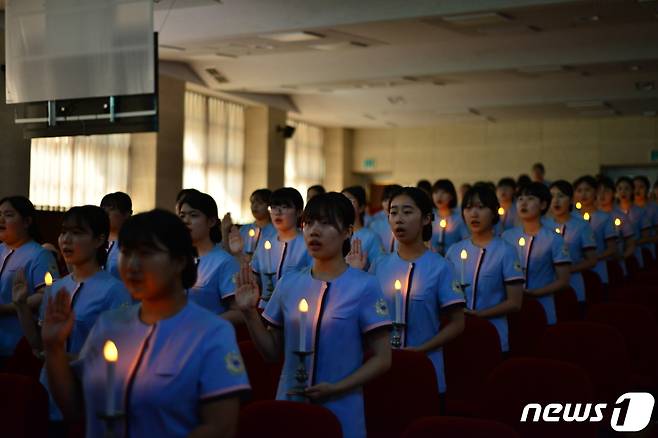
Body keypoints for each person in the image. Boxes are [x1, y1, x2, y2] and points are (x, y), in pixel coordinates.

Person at [42, 209, 250, 438]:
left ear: (180, 261)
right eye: (126, 252)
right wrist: (54, 349)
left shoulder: (210, 332)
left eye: (146, 253)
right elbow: (75, 409)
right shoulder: (109, 325)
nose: (132, 265)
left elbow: (220, 427)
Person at [235, 193, 392, 438]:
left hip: (341, 406)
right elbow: (271, 353)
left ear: (348, 232)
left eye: (326, 223)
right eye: (309, 223)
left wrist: (337, 387)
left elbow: (383, 359)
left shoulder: (364, 286)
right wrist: (249, 314)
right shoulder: (289, 283)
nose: (314, 231)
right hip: (290, 401)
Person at [13, 206, 131, 429]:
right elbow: (38, 346)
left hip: (87, 396)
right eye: (64, 232)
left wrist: (61, 356)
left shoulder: (114, 291)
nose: (66, 240)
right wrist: (20, 305)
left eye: (77, 233)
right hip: (48, 392)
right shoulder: (57, 288)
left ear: (99, 240)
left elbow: (115, 357)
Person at [370, 187, 465, 394]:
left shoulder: (441, 266)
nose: (399, 219)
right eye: (393, 213)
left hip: (425, 365)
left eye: (407, 212)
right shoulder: (379, 265)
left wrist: (422, 348)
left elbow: (458, 323)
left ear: (426, 219)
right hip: (381, 368)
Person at [446, 185, 524, 353]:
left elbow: (515, 303)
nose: (474, 214)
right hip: (456, 335)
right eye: (468, 208)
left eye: (481, 208)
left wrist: (480, 315)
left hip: (492, 333)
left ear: (494, 212)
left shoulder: (506, 251)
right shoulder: (454, 250)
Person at [0, 196, 59, 362]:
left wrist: (6, 308)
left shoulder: (39, 255)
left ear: (26, 222)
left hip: (16, 344)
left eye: (9, 215)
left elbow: (45, 295)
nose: (1, 219)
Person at [502, 183, 571, 325]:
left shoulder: (553, 239)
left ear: (543, 205)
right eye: (520, 199)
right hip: (510, 309)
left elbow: (563, 281)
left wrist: (535, 293)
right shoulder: (507, 237)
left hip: (543, 306)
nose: (524, 203)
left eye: (530, 198)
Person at [177, 191, 241, 322]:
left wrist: (203, 324)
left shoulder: (224, 262)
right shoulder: (177, 259)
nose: (186, 221)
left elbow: (239, 313)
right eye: (182, 216)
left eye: (193, 215)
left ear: (211, 221)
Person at [250, 188, 312, 305]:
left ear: (299, 212)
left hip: (295, 309)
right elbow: (254, 277)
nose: (277, 212)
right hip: (264, 308)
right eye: (273, 207)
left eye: (285, 207)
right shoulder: (265, 243)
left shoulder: (308, 244)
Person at [544, 181, 597, 306]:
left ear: (571, 200)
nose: (555, 200)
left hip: (573, 283)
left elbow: (592, 260)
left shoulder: (581, 226)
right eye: (552, 196)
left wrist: (565, 270)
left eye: (561, 196)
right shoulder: (544, 226)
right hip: (547, 285)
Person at [572, 175, 617, 287]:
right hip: (574, 271)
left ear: (595, 192)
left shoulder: (604, 218)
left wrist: (591, 259)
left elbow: (612, 248)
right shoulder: (571, 218)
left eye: (587, 190)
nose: (583, 194)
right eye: (579, 190)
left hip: (597, 268)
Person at [597, 176, 636, 276]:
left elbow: (631, 242)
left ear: (614, 193)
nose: (602, 195)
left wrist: (622, 256)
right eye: (598, 191)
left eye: (606, 191)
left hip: (614, 264)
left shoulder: (619, 216)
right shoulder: (587, 216)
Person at [342, 185, 384, 271]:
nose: (344, 205)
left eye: (350, 201)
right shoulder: (336, 234)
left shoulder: (371, 237)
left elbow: (379, 268)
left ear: (361, 208)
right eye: (341, 201)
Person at [615, 176, 651, 269]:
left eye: (627, 189)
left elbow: (646, 236)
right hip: (616, 253)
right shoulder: (612, 212)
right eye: (620, 188)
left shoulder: (640, 212)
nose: (623, 192)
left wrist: (631, 242)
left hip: (635, 252)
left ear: (632, 191)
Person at [430, 179, 469, 255]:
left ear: (451, 196)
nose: (439, 196)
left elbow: (466, 241)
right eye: (436, 192)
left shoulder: (459, 219)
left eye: (444, 192)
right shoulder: (428, 218)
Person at [100, 192, 132, 279]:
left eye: (111, 208)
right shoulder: (96, 242)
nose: (105, 213)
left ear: (127, 214)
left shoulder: (133, 245)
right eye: (103, 209)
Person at [238, 189, 276, 255]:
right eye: (252, 203)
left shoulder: (275, 231)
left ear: (269, 206)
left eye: (260, 203)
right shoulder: (244, 229)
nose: (254, 206)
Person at [368, 184, 402, 253]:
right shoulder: (375, 224)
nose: (387, 204)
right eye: (385, 200)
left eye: (391, 200)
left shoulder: (407, 224)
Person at [632, 175, 658, 260]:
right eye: (634, 187)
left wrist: (637, 241)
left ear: (647, 189)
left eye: (641, 187)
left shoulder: (653, 207)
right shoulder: (626, 207)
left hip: (648, 250)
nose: (637, 190)